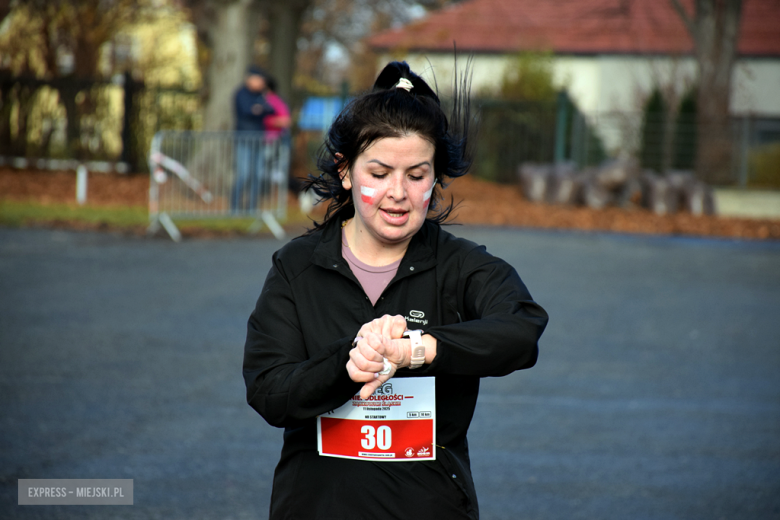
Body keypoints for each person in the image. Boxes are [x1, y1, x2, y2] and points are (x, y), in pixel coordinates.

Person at [242, 61, 549, 519]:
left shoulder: (461, 266)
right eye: (380, 172)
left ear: (436, 177)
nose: (398, 193)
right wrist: (349, 364)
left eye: (417, 174)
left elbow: (522, 329)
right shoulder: (297, 266)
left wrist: (417, 350)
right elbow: (268, 391)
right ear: (346, 172)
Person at [232, 65, 275, 212]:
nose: (262, 83)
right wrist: (257, 109)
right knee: (244, 174)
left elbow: (270, 109)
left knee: (257, 175)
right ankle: (234, 209)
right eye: (260, 80)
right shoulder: (241, 94)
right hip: (244, 139)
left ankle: (251, 209)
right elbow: (247, 111)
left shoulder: (260, 95)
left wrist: (258, 109)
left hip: (259, 140)